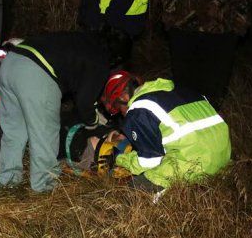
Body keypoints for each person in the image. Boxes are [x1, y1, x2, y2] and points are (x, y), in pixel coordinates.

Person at [0, 32, 112, 192]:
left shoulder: (77, 40)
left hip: (10, 62)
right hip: (35, 71)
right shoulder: (100, 60)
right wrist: (94, 125)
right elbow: (85, 102)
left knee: (13, 132)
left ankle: (7, 180)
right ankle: (44, 186)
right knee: (44, 134)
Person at [99, 71, 231, 191]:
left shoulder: (138, 110)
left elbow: (150, 161)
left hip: (194, 166)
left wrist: (119, 159)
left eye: (118, 108)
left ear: (123, 97)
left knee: (131, 192)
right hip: (224, 159)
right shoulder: (182, 90)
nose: (122, 114)